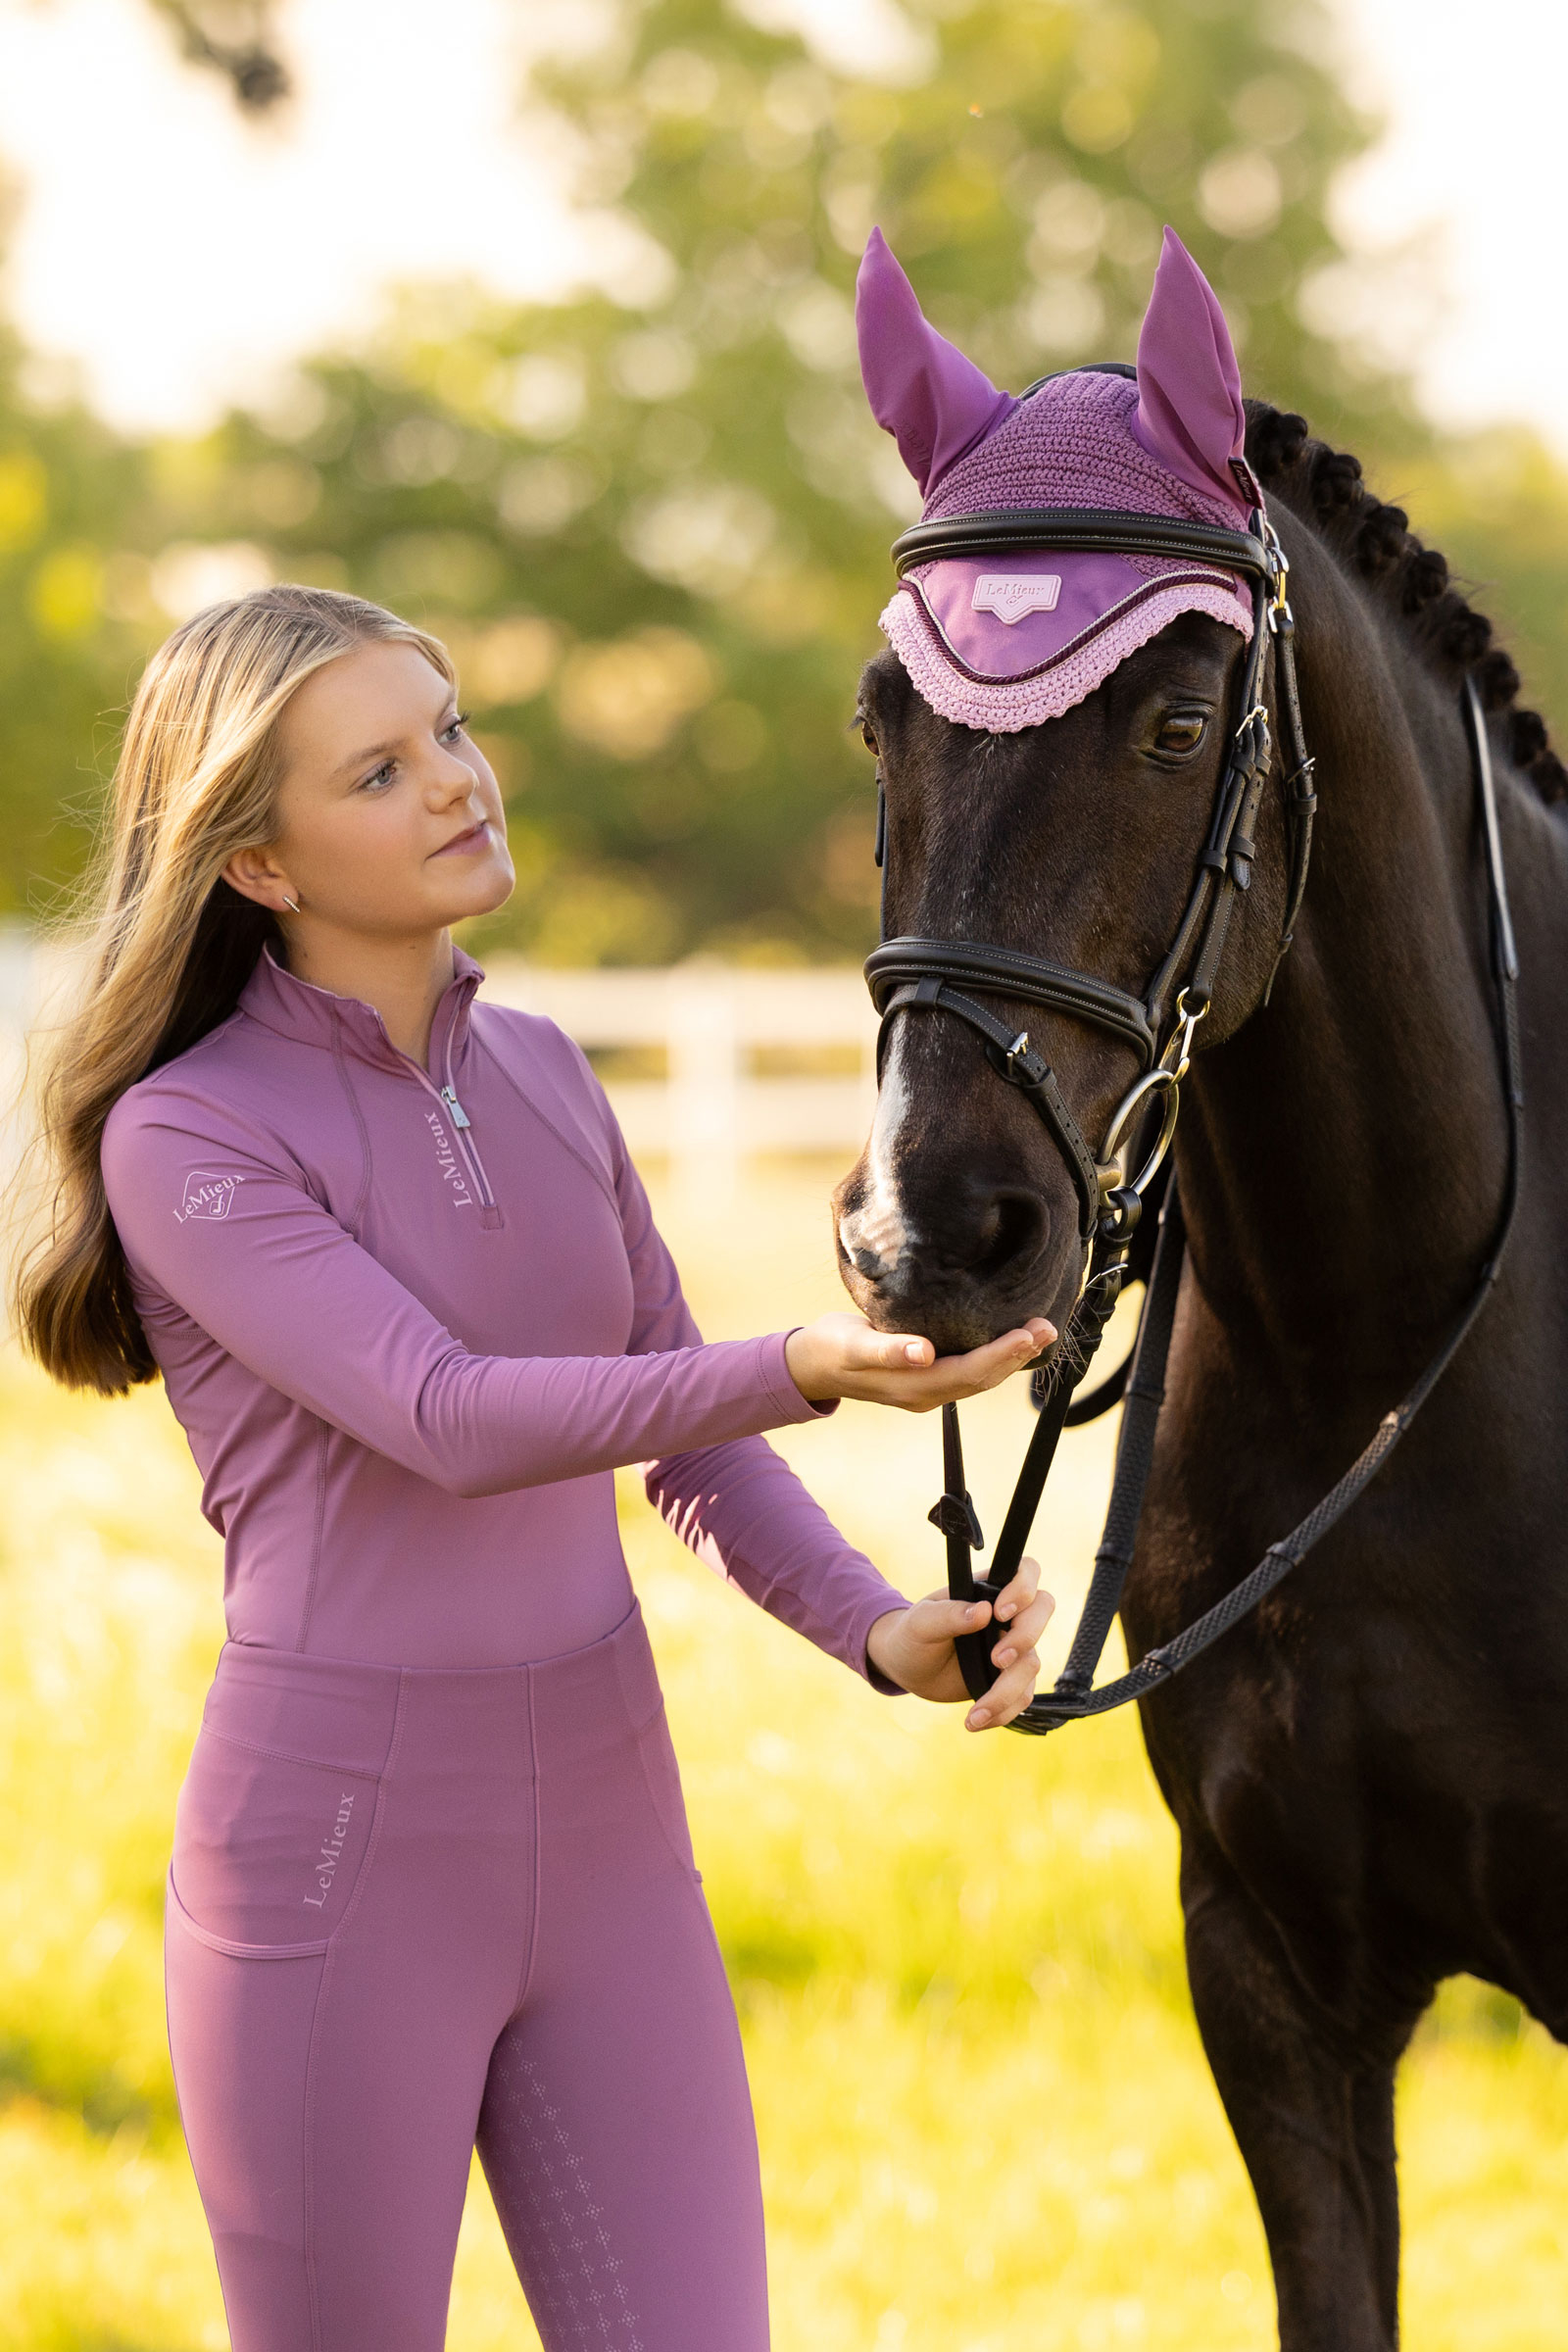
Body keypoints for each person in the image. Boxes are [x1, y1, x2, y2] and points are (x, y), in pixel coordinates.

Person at [13, 586, 1055, 2352]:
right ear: (258, 863)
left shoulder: (549, 1071)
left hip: (615, 1847)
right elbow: (446, 1412)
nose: (454, 781)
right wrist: (801, 1363)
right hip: (340, 1868)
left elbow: (679, 1431)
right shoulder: (186, 1133)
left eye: (453, 728)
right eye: (381, 768)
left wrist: (881, 1631)